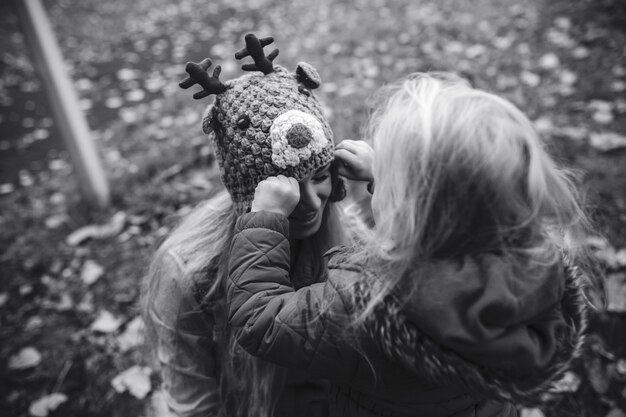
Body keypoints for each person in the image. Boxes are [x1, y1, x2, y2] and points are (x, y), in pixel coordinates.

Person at [225, 72, 599, 416]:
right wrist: (386, 179)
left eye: (389, 175)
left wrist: (265, 218)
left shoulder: (366, 305)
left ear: (409, 211)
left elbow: (260, 319)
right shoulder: (535, 271)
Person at [141, 34, 353, 417]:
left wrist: (386, 183)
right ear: (246, 191)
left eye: (320, 175)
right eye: (281, 189)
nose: (309, 204)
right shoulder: (190, 273)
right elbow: (192, 407)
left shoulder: (346, 234)